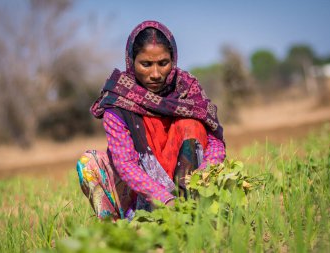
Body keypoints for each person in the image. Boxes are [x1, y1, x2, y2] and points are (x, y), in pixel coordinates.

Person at [76, 20, 226, 221]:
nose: (155, 74)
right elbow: (125, 164)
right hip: (141, 195)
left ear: (173, 60)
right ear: (131, 61)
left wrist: (204, 174)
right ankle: (118, 233)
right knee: (89, 163)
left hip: (188, 189)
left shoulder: (187, 91)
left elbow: (214, 142)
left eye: (163, 63)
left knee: (190, 123)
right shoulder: (118, 101)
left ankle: (193, 214)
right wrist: (164, 200)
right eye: (146, 64)